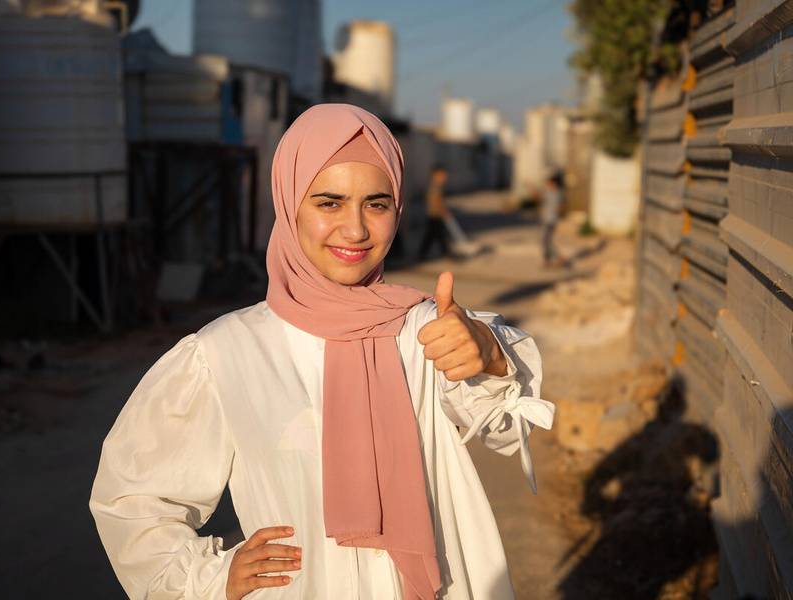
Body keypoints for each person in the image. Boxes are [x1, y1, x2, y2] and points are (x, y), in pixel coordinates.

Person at [90, 104, 554, 600]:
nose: (355, 230)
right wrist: (209, 576)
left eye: (376, 204)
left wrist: (490, 355)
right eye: (329, 203)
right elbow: (134, 497)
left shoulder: (425, 332)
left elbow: (509, 429)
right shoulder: (227, 352)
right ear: (290, 206)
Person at [418, 165, 452, 260]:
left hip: (434, 215)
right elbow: (436, 201)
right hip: (434, 215)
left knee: (435, 235)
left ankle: (445, 252)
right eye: (442, 175)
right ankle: (446, 253)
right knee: (436, 235)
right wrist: (443, 211)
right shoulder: (435, 187)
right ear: (435, 175)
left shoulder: (437, 186)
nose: (444, 178)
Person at [540, 173, 564, 268]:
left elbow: (559, 208)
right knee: (547, 240)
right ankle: (553, 258)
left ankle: (553, 258)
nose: (547, 184)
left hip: (551, 220)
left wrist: (557, 220)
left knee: (545, 240)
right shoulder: (548, 193)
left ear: (553, 183)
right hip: (546, 219)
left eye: (548, 183)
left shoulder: (557, 194)